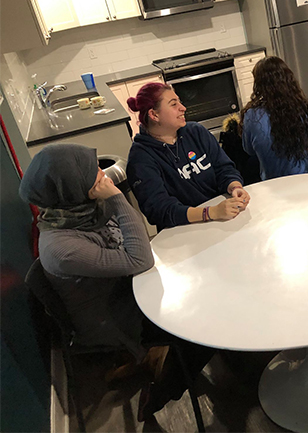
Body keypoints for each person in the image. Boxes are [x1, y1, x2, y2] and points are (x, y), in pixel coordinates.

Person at [19, 144, 215, 421]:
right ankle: (160, 393)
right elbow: (139, 259)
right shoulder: (62, 247)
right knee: (206, 330)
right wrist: (118, 198)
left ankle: (155, 358)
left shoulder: (83, 212)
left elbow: (136, 246)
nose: (101, 173)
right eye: (92, 170)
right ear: (69, 187)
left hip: (130, 289)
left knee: (203, 280)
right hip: (117, 317)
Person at [126, 83, 250, 231]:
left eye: (180, 101)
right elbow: (159, 210)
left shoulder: (196, 132)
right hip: (183, 233)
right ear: (154, 115)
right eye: (173, 104)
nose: (183, 108)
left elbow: (223, 168)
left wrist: (234, 186)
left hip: (223, 221)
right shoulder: (140, 158)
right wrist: (211, 212)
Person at [240, 56, 308, 181]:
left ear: (259, 85)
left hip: (272, 182)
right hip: (306, 177)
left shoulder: (252, 116)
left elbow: (248, 150)